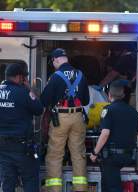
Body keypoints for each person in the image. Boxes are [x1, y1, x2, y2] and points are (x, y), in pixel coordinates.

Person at [40, 48, 90, 192]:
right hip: (78, 117)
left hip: (60, 118)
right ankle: (80, 189)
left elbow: (44, 101)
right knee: (78, 153)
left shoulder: (56, 76)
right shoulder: (81, 75)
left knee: (55, 154)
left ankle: (54, 189)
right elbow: (86, 101)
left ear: (56, 60)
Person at [90, 79, 138, 192]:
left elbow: (105, 133)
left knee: (112, 187)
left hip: (112, 157)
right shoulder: (133, 112)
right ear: (124, 95)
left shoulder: (108, 110)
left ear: (109, 95)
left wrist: (94, 153)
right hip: (128, 156)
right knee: (107, 185)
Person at [0, 63, 43, 192]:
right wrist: (29, 89)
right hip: (22, 147)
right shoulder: (23, 92)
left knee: (8, 181)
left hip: (2, 148)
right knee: (30, 179)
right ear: (20, 77)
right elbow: (39, 109)